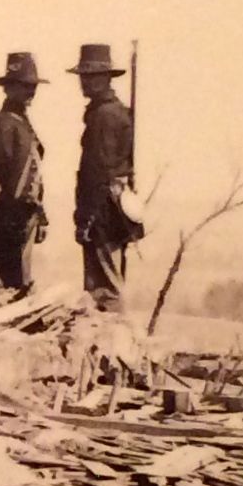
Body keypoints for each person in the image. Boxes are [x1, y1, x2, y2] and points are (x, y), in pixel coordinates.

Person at [71, 42, 141, 311]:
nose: (85, 82)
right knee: (104, 283)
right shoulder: (112, 112)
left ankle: (116, 333)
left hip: (103, 212)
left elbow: (99, 173)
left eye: (91, 76)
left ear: (105, 78)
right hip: (111, 209)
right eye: (83, 76)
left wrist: (86, 218)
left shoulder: (103, 116)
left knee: (104, 288)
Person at [0, 52, 47, 295]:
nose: (30, 91)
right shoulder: (2, 126)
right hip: (8, 221)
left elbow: (33, 176)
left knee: (17, 283)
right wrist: (8, 222)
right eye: (23, 86)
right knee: (5, 286)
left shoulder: (21, 123)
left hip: (24, 218)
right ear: (8, 88)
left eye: (32, 86)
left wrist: (39, 215)